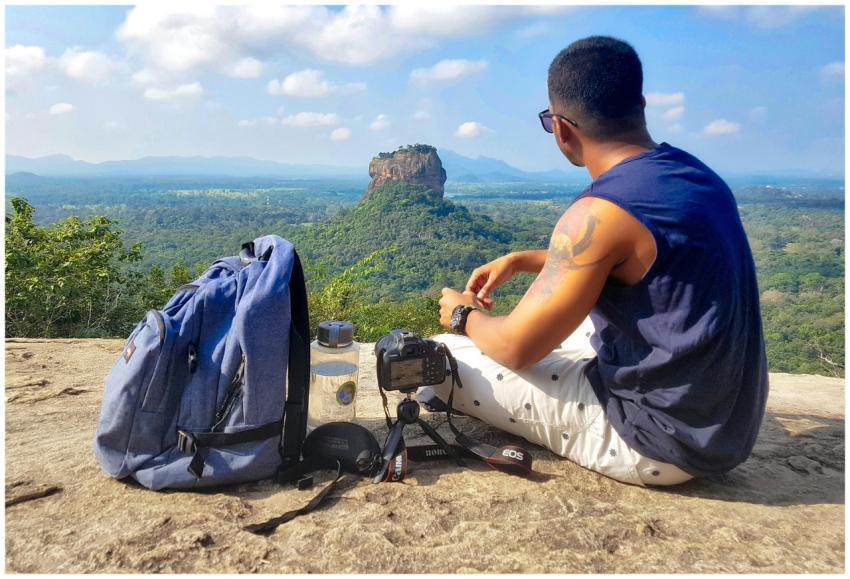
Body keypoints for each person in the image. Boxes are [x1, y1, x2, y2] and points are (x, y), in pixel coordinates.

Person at [430, 35, 769, 486]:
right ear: (640, 105)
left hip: (656, 441)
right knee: (579, 324)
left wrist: (461, 313)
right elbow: (646, 259)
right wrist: (525, 259)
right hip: (724, 424)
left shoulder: (597, 213)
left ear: (561, 127)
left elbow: (515, 348)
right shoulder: (696, 176)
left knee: (436, 360)